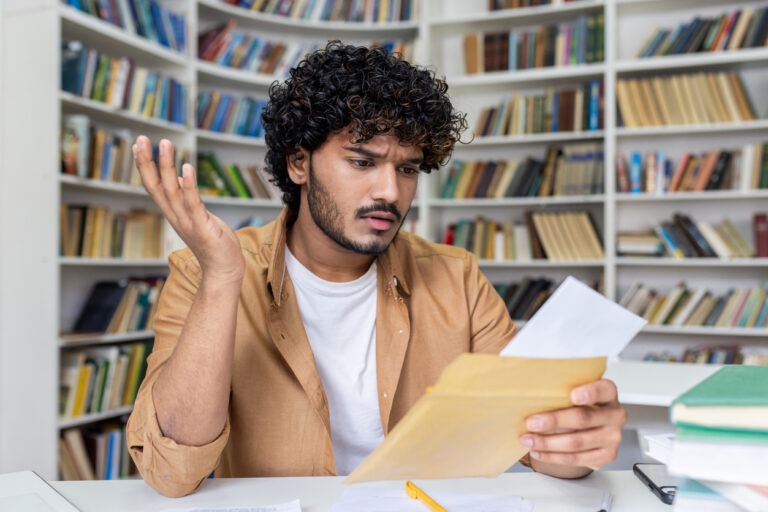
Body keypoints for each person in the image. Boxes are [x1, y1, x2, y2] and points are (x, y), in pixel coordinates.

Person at [126, 40, 627, 498]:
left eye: (407, 168)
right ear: (299, 163)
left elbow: (532, 438)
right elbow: (172, 471)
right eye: (363, 162)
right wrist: (220, 279)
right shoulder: (206, 272)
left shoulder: (457, 277)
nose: (391, 191)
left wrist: (576, 446)